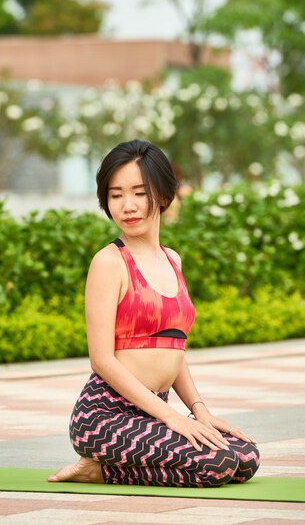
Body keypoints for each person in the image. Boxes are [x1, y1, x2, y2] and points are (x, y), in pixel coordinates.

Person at [48, 139, 260, 487]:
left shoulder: (172, 259)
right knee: (217, 463)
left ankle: (101, 469)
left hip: (152, 411)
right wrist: (173, 418)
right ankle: (101, 468)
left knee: (246, 457)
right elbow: (101, 359)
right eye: (116, 195)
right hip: (105, 416)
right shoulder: (109, 263)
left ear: (162, 195)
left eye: (139, 193)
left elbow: (175, 349)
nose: (127, 206)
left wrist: (199, 412)